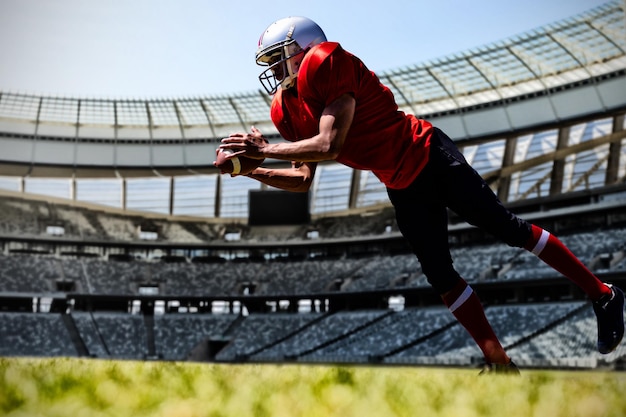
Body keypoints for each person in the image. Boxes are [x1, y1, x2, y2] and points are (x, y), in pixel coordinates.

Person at [215, 16, 624, 373]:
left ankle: (604, 296)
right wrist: (254, 170)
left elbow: (329, 145)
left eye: (278, 56)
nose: (274, 68)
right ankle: (499, 363)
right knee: (440, 276)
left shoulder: (326, 63)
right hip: (400, 182)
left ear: (304, 49)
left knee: (509, 229)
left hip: (428, 154)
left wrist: (263, 150)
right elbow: (303, 177)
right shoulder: (287, 108)